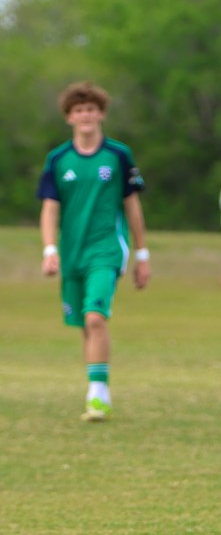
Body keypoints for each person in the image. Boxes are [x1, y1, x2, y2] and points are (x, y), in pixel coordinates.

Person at [38, 81, 150, 422]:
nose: (85, 115)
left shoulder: (118, 155)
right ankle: (96, 382)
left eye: (90, 109)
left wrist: (142, 254)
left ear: (100, 114)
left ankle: (98, 395)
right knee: (85, 323)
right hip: (72, 252)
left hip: (106, 249)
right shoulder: (58, 159)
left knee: (95, 317)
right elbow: (50, 209)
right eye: (78, 111)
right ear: (69, 118)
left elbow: (132, 206)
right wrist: (49, 248)